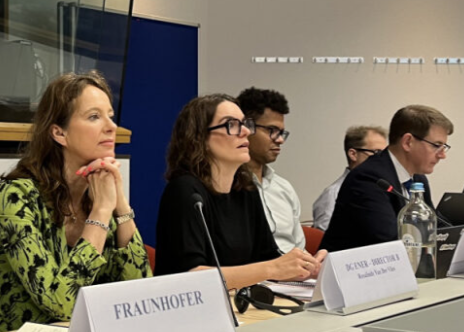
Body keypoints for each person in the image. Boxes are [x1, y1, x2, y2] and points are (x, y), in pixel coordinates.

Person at [0, 71, 150, 332]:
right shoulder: (17, 198)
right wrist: (102, 212)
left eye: (110, 116)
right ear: (59, 133)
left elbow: (139, 293)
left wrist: (120, 205)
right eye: (94, 117)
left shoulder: (97, 194)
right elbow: (61, 304)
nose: (111, 127)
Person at [155, 94, 324, 288]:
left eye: (245, 124)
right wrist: (272, 269)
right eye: (232, 125)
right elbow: (189, 276)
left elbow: (267, 256)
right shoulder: (185, 192)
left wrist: (307, 268)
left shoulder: (245, 189)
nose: (245, 132)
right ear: (200, 137)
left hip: (242, 301)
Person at [322, 105, 454, 252]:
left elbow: (435, 225)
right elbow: (389, 240)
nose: (442, 155)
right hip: (356, 265)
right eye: (437, 145)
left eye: (444, 147)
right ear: (408, 142)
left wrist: (459, 235)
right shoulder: (368, 179)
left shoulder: (418, 179)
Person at [236, 87, 303, 253]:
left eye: (282, 133)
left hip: (293, 267)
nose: (280, 140)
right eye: (271, 130)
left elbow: (299, 248)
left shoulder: (284, 188)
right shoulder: (228, 188)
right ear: (246, 128)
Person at [312, 124, 388, 230]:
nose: (383, 159)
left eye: (385, 154)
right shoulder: (333, 194)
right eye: (377, 153)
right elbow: (326, 236)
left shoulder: (385, 188)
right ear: (353, 154)